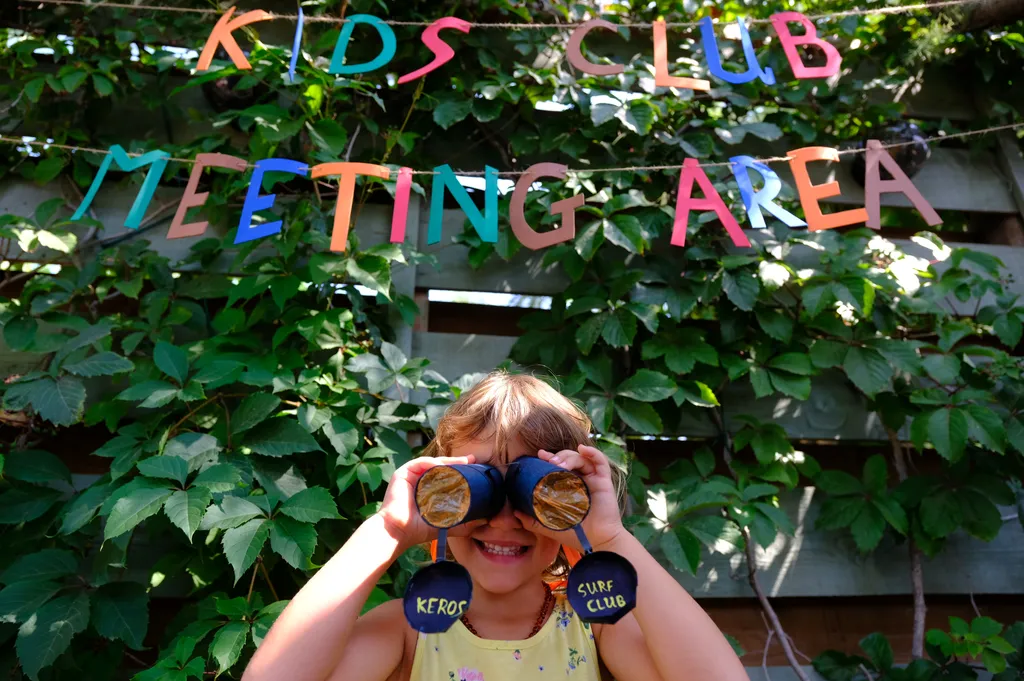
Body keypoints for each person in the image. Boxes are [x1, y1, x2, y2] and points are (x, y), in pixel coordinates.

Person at [243, 372, 748, 681]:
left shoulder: (596, 625)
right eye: (480, 487)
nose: (506, 518)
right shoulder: (410, 631)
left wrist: (607, 539)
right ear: (440, 489)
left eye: (537, 489)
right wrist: (388, 532)